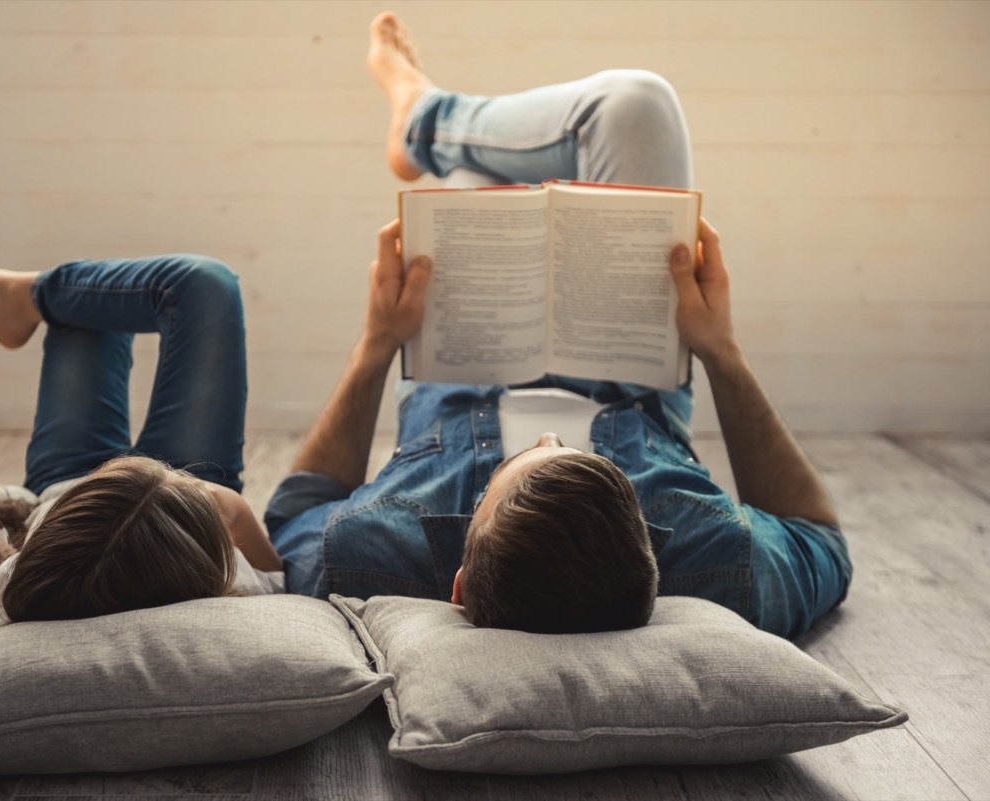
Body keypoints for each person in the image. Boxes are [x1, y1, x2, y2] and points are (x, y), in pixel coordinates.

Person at [263, 13, 852, 640]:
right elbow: (820, 539)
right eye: (574, 458)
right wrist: (721, 350)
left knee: (482, 182)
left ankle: (422, 120)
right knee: (635, 104)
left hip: (464, 355)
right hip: (627, 364)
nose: (546, 435)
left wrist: (377, 344)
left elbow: (298, 510)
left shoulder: (364, 555)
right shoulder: (716, 561)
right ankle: (421, 119)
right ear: (654, 561)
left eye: (518, 464)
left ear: (459, 582)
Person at [0, 249, 284, 659]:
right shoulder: (234, 584)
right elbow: (275, 575)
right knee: (198, 284)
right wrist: (225, 505)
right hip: (186, 488)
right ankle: (25, 295)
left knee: (92, 309)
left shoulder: (9, 591)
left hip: (68, 478)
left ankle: (23, 297)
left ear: (34, 542)